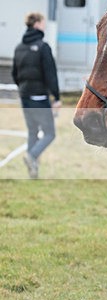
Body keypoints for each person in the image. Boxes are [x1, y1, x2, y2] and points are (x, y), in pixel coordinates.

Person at [12, 12, 61, 179]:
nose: (45, 25)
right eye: (43, 22)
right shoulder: (43, 47)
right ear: (37, 24)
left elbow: (14, 74)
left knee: (33, 131)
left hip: (24, 96)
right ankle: (32, 156)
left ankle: (32, 171)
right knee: (49, 133)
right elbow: (51, 75)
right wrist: (57, 97)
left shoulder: (19, 47)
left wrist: (24, 89)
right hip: (39, 97)